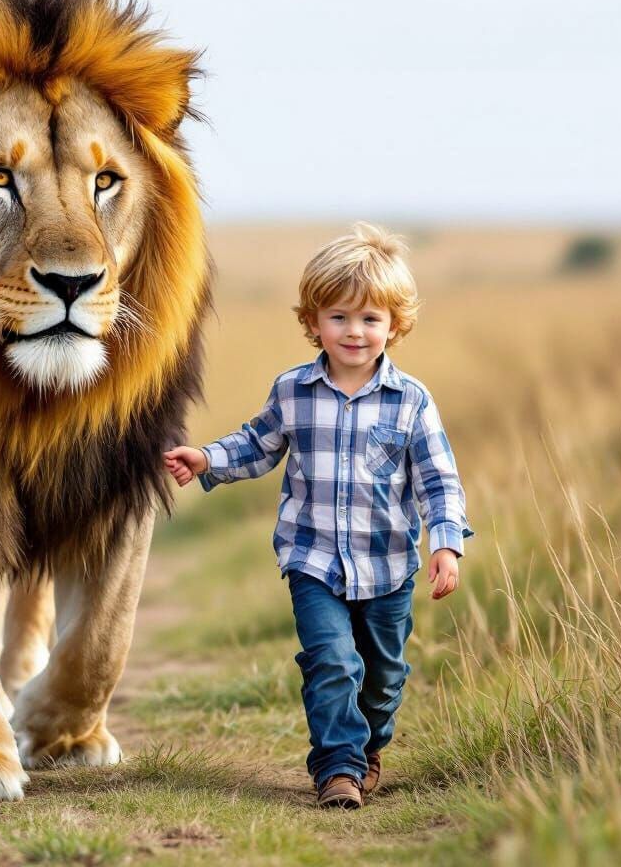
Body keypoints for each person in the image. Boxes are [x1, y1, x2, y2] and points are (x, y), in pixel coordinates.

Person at [163, 223, 473, 809]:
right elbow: (257, 445)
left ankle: (369, 745)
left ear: (395, 325)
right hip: (313, 562)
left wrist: (446, 543)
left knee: (382, 678)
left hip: (387, 567)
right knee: (331, 662)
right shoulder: (293, 391)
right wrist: (207, 459)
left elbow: (438, 480)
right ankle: (338, 769)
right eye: (338, 317)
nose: (354, 331)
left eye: (370, 318)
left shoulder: (411, 401)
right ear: (313, 321)